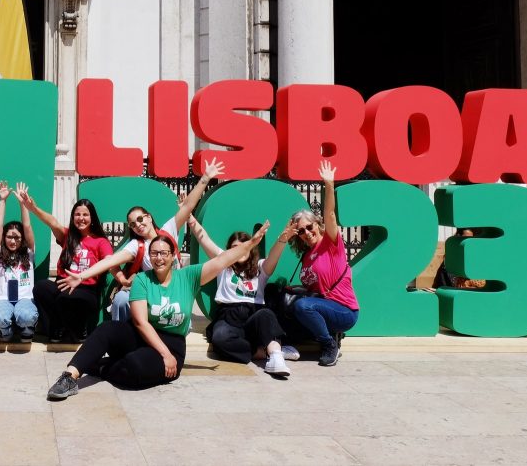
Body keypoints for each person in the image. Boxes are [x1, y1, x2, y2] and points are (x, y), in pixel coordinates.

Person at [46, 224, 269, 400]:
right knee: (107, 329)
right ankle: (69, 377)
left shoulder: (189, 277)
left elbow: (223, 259)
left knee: (135, 368)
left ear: (173, 256)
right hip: (142, 335)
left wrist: (251, 244)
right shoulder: (143, 279)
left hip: (173, 343)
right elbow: (140, 323)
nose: (159, 258)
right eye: (154, 253)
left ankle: (102, 366)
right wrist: (82, 276)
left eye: (163, 253)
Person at [57, 159, 225, 321]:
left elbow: (188, 206)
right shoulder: (136, 246)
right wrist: (82, 276)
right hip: (153, 295)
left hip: (176, 292)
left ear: (149, 217)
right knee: (122, 300)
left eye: (140, 219)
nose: (137, 225)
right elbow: (109, 261)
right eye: (132, 224)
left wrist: (205, 178)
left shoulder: (168, 230)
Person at [189, 215, 298, 376]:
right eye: (234, 247)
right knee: (220, 338)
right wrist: (189, 216)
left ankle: (276, 357)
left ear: (251, 247)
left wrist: (282, 240)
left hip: (254, 316)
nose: (239, 250)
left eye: (243, 246)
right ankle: (263, 352)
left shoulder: (260, 267)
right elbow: (203, 238)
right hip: (229, 316)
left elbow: (273, 257)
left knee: (266, 314)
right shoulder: (223, 264)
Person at [287, 160, 360, 367]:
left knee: (303, 306)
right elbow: (316, 288)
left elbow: (330, 214)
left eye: (309, 227)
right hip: (324, 306)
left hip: (345, 311)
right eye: (301, 231)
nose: (307, 233)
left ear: (317, 225)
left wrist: (329, 185)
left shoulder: (330, 243)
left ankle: (329, 345)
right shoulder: (306, 255)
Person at [24, 191, 113, 342]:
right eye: (77, 214)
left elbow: (109, 260)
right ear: (73, 217)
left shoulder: (100, 241)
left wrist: (122, 279)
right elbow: (53, 222)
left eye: (85, 214)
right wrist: (33, 208)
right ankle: (56, 328)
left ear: (92, 218)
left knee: (66, 297)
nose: (81, 218)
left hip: (86, 289)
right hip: (63, 284)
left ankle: (80, 330)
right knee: (41, 287)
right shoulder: (67, 236)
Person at [0, 181, 38, 342]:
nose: (13, 241)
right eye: (9, 237)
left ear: (22, 239)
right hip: (3, 299)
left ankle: (27, 329)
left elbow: (27, 226)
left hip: (25, 299)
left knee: (27, 315)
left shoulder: (28, 252)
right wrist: (2, 201)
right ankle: (5, 330)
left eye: (17, 237)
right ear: (4, 238)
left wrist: (23, 204)